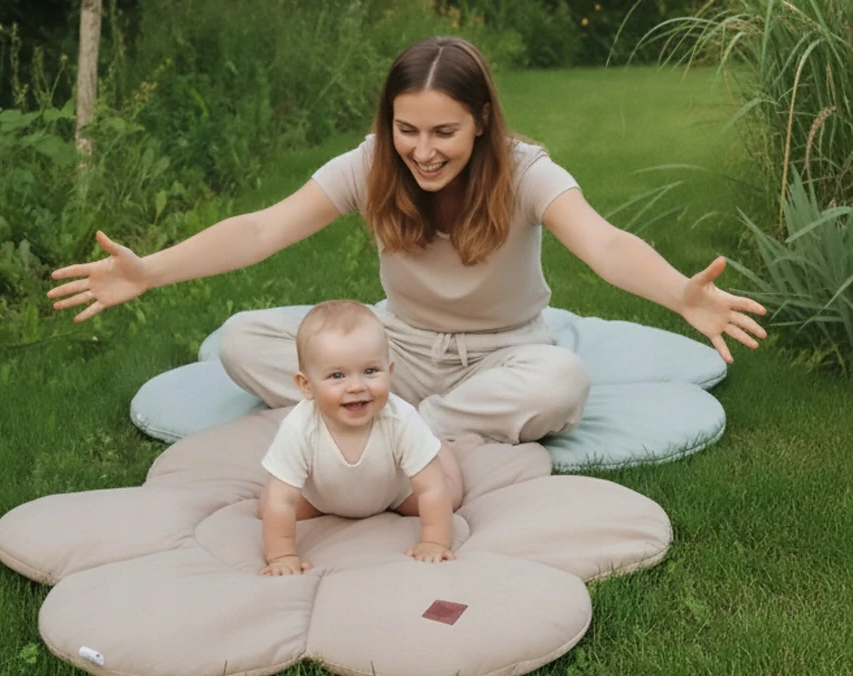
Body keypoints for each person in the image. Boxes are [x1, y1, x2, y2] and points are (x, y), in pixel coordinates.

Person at [48, 36, 767, 445]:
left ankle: (397, 430)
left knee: (563, 385)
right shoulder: (371, 163)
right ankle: (401, 419)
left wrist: (679, 293)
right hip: (396, 351)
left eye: (444, 132)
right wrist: (150, 271)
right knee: (241, 338)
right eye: (408, 129)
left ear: (482, 120)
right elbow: (263, 228)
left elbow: (605, 246)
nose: (423, 151)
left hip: (506, 355)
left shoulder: (525, 172)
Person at [258, 299, 464, 576]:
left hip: (393, 492)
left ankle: (438, 451)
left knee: (447, 494)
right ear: (306, 386)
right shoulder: (299, 428)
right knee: (272, 506)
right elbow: (281, 501)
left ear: (389, 372)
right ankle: (284, 479)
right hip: (321, 498)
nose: (356, 387)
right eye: (337, 376)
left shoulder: (400, 418)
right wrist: (282, 556)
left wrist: (434, 542)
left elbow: (429, 489)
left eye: (370, 371)